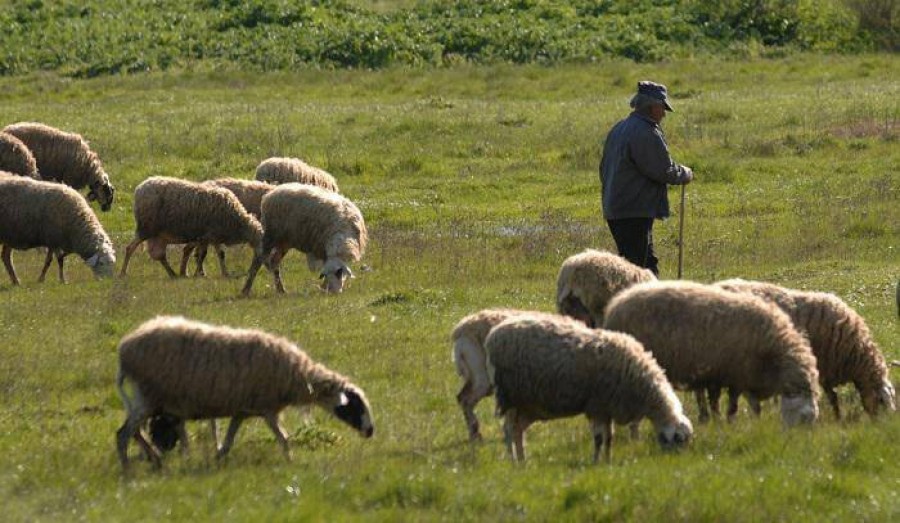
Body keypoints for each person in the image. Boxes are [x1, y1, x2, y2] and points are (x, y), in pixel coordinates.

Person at [599, 80, 693, 276]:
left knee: (643, 263)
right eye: (662, 107)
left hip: (618, 207)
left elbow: (603, 169)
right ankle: (638, 304)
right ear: (652, 107)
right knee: (639, 270)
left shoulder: (620, 128)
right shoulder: (645, 132)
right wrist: (684, 173)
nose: (664, 113)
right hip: (633, 210)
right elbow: (662, 170)